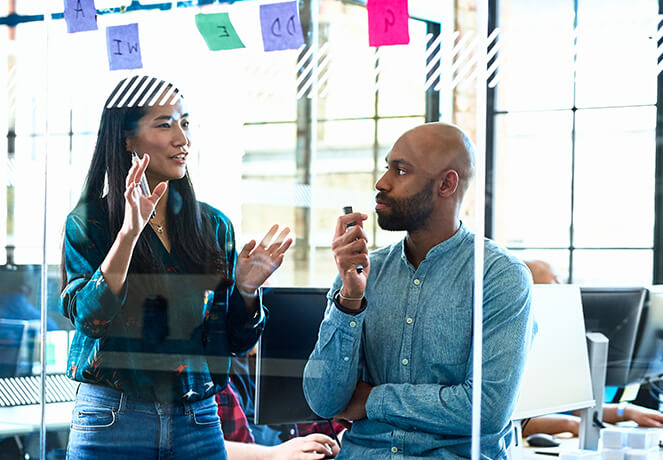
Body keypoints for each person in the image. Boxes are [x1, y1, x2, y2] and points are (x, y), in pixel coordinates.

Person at [59, 75, 292, 459]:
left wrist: (247, 291)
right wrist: (129, 234)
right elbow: (91, 318)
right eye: (165, 124)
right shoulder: (90, 223)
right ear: (128, 139)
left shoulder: (213, 227)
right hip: (114, 418)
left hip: (197, 420)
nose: (182, 138)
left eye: (184, 123)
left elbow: (234, 342)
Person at [303, 122, 535, 458]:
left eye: (400, 171)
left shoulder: (499, 277)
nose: (382, 183)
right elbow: (325, 402)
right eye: (387, 168)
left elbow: (485, 409)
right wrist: (349, 301)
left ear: (446, 184)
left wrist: (372, 400)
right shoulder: (362, 271)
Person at [521, 260, 663, 437]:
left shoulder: (551, 344)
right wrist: (573, 425)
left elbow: (573, 407)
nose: (562, 288)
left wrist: (626, 412)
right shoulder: (516, 347)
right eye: (554, 282)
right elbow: (515, 422)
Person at [216, 353, 343, 459]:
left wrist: (328, 447)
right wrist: (275, 455)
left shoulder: (270, 359)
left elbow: (332, 425)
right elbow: (203, 447)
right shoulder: (205, 377)